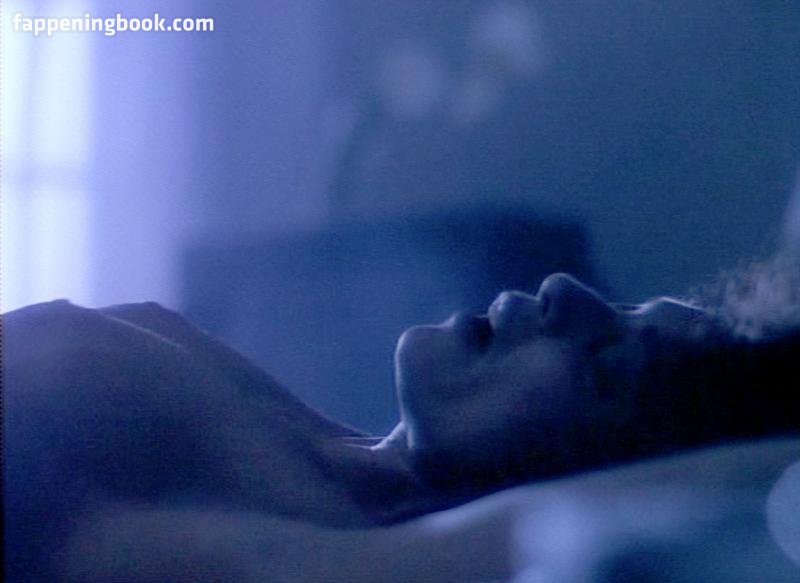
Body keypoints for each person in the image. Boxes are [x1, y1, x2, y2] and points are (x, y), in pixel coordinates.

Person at [5, 263, 800, 580]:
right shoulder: (306, 441)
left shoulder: (320, 552)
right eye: (623, 307)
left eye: (605, 363)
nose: (566, 293)